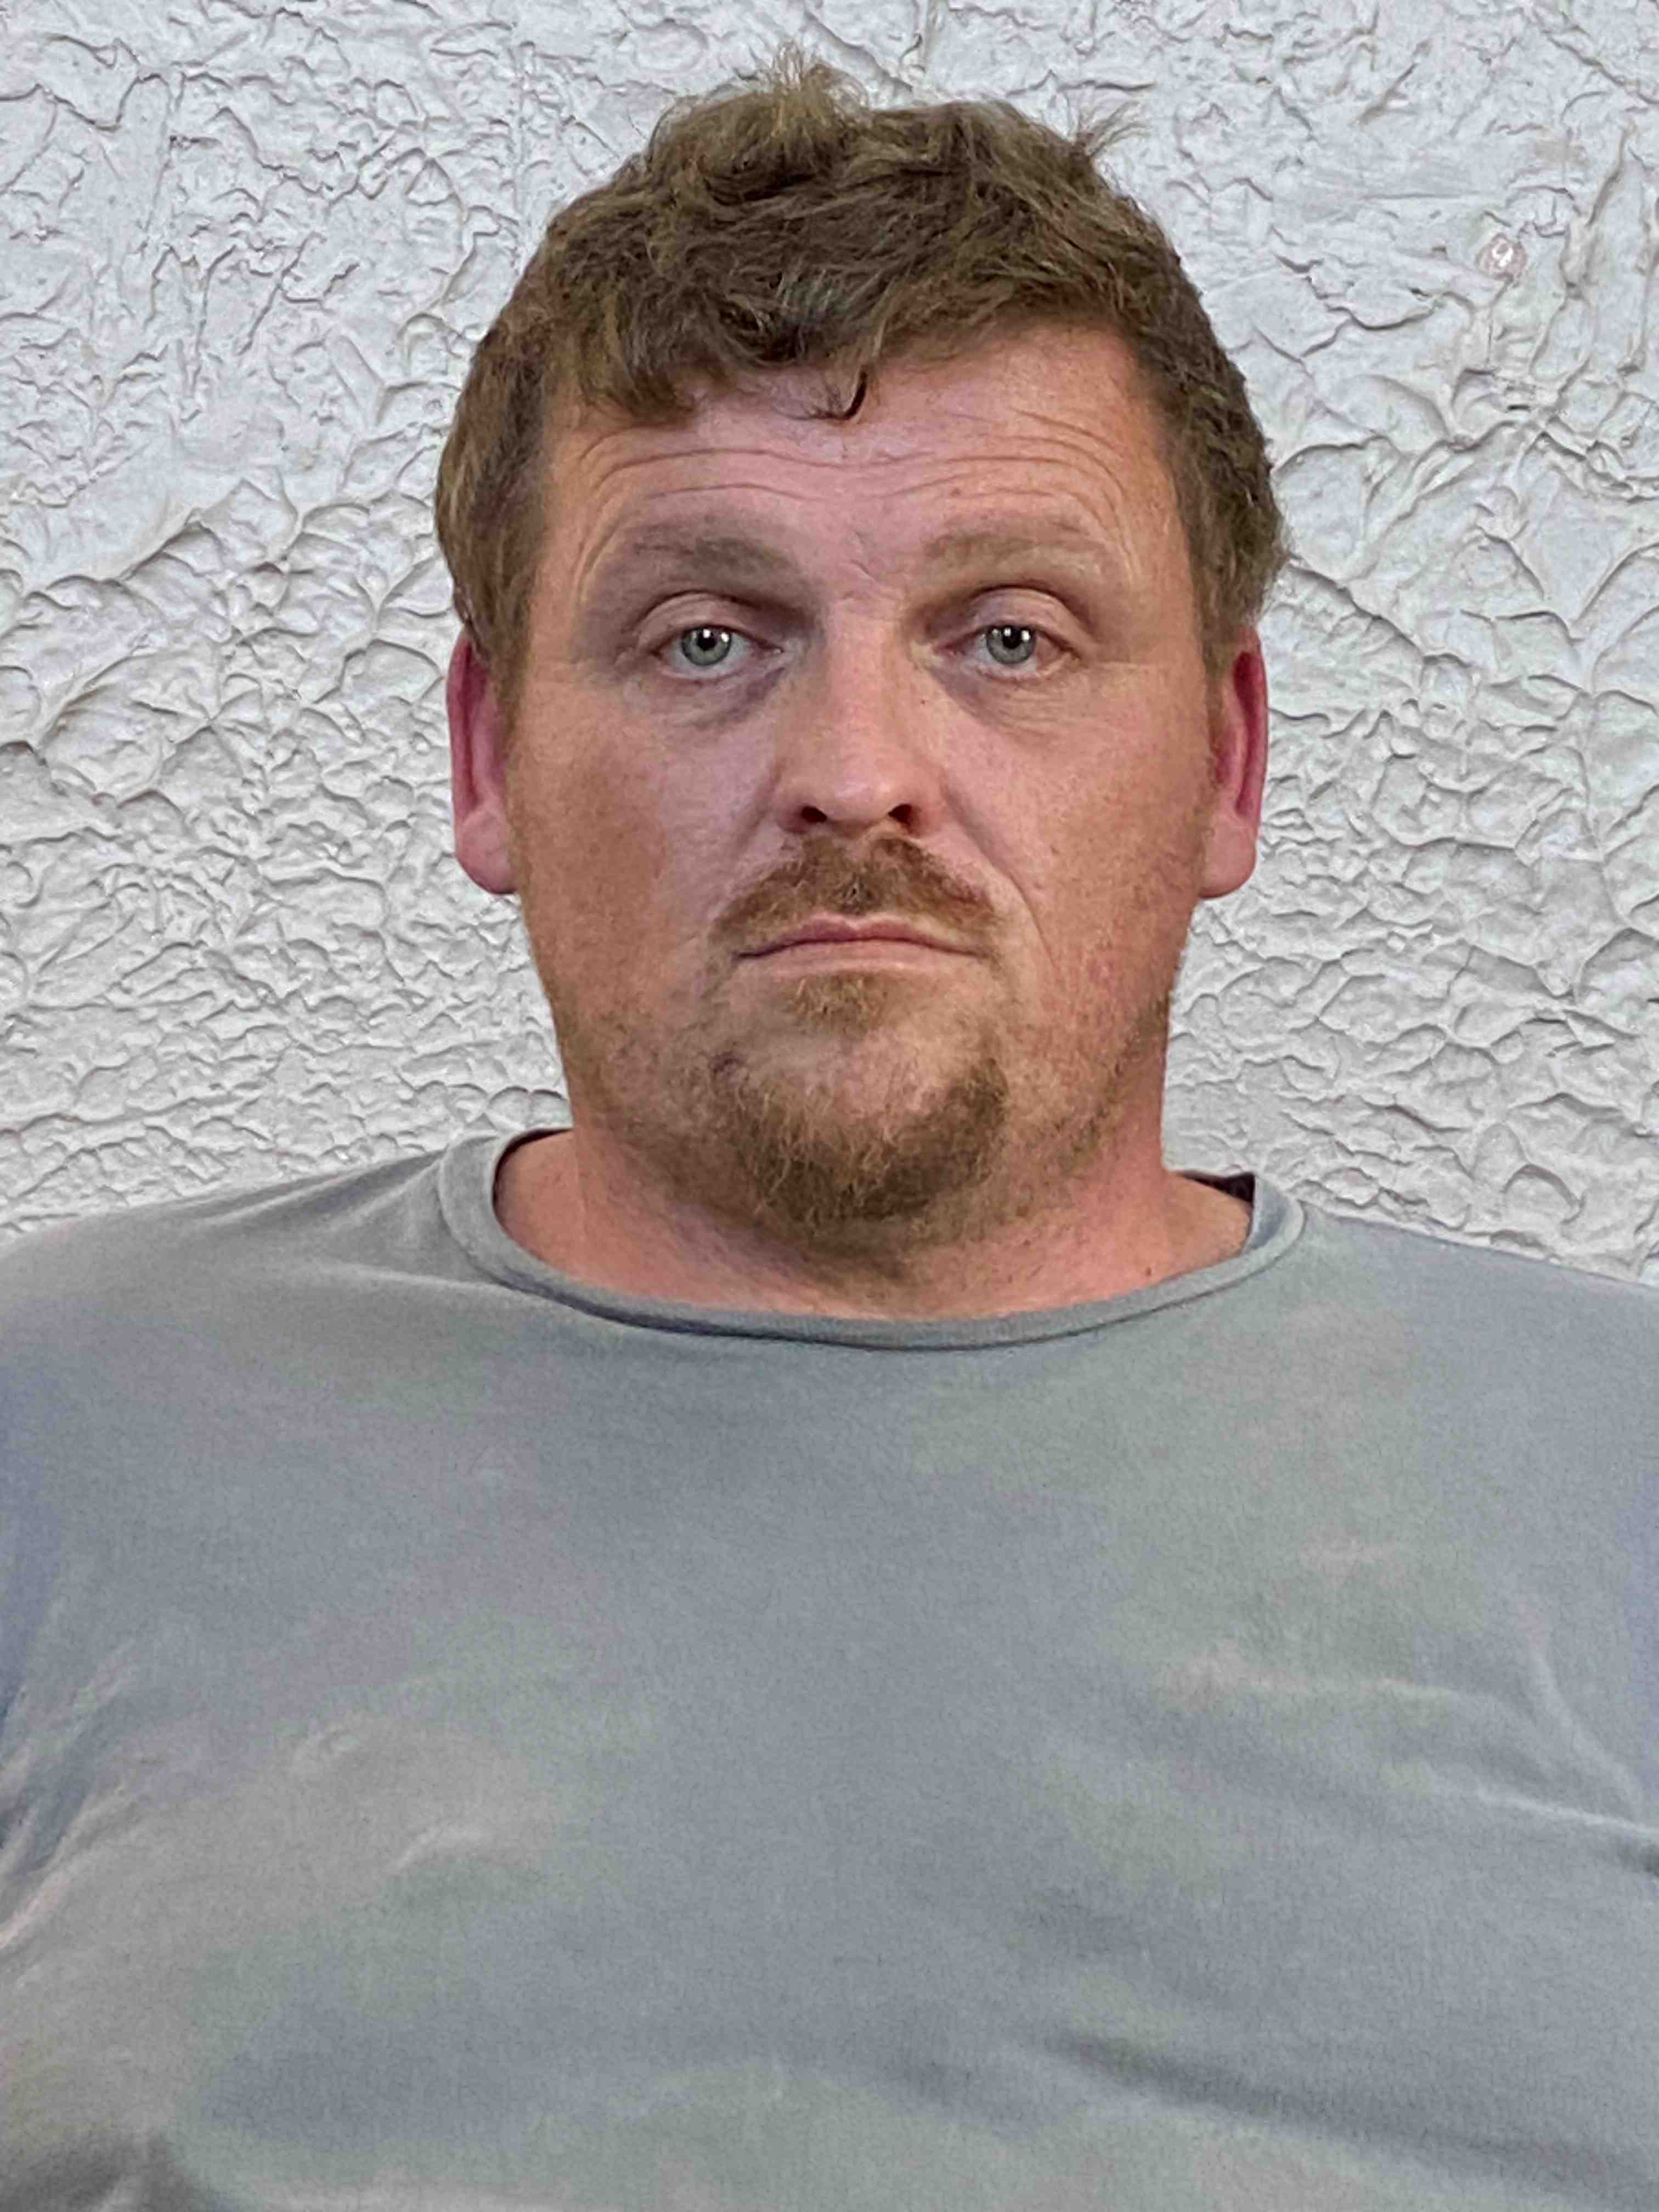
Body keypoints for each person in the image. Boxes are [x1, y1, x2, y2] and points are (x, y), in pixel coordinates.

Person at [3, 41, 1656, 2211]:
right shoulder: (52, 1437)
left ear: (1227, 764)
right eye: (708, 637)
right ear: (489, 760)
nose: (856, 770)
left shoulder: (1622, 1477)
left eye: (1010, 637)